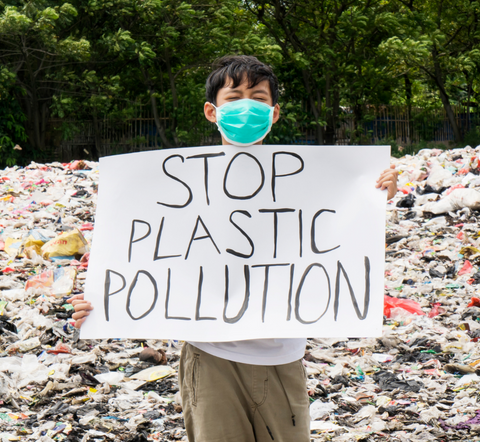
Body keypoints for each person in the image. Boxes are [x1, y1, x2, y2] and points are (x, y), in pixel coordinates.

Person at [69, 55, 398, 442]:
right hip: (210, 362)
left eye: (258, 98)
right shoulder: (171, 185)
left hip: (283, 361)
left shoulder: (312, 182)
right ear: (212, 111)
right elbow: (144, 260)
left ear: (274, 114)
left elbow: (341, 234)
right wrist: (100, 304)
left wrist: (378, 189)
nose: (247, 107)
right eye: (235, 96)